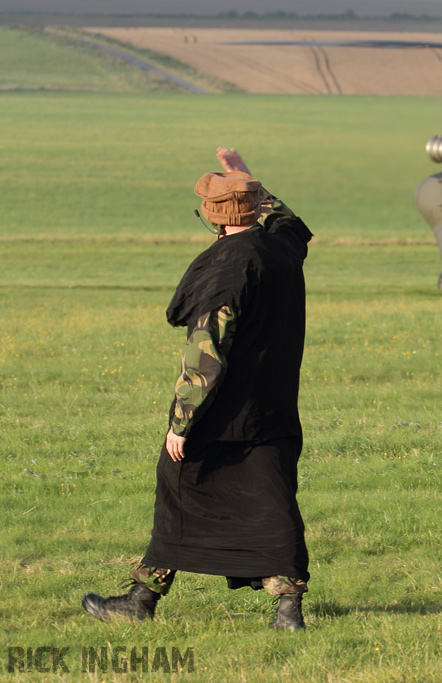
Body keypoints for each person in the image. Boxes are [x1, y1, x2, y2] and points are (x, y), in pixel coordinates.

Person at [82, 147, 314, 631]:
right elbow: (288, 220)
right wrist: (243, 177)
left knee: (177, 489)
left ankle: (141, 600)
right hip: (272, 415)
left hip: (222, 418)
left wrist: (181, 423)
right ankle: (288, 610)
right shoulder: (282, 248)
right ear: (252, 210)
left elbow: (206, 356)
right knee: (273, 507)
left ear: (211, 218)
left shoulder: (227, 269)